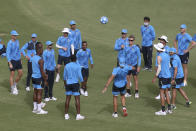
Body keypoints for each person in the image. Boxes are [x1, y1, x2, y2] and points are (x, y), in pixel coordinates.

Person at [152, 43, 172, 116]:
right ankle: (169, 109)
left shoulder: (159, 57)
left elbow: (159, 68)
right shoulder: (167, 55)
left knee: (161, 93)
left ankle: (163, 110)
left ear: (158, 49)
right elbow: (169, 66)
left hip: (163, 77)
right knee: (166, 91)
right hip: (168, 76)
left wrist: (155, 77)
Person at [64, 55, 85, 120]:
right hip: (75, 84)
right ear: (75, 59)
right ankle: (78, 115)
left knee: (67, 99)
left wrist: (65, 84)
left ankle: (66, 115)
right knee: (77, 99)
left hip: (68, 84)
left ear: (70, 59)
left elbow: (64, 77)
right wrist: (83, 84)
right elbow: (80, 76)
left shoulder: (67, 66)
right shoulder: (77, 66)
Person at [32, 42, 48, 114]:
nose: (42, 50)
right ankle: (39, 109)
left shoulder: (33, 57)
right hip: (39, 78)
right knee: (39, 93)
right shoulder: (40, 60)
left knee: (35, 92)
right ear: (39, 49)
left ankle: (35, 108)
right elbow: (42, 71)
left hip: (33, 77)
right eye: (41, 48)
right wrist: (45, 78)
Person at [6, 30, 23, 95]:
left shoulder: (17, 41)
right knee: (12, 75)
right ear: (12, 36)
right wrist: (9, 63)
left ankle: (15, 84)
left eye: (16, 35)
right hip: (12, 60)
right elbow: (7, 53)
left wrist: (20, 59)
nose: (16, 36)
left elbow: (18, 50)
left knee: (20, 73)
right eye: (15, 35)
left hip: (18, 60)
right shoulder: (9, 43)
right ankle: (12, 89)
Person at [154, 35, 170, 100]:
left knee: (165, 81)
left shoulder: (167, 48)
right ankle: (162, 94)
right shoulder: (159, 47)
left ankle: (167, 94)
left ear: (165, 41)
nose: (161, 41)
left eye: (162, 40)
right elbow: (157, 57)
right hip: (158, 65)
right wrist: (156, 66)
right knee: (161, 80)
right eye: (160, 39)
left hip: (165, 67)